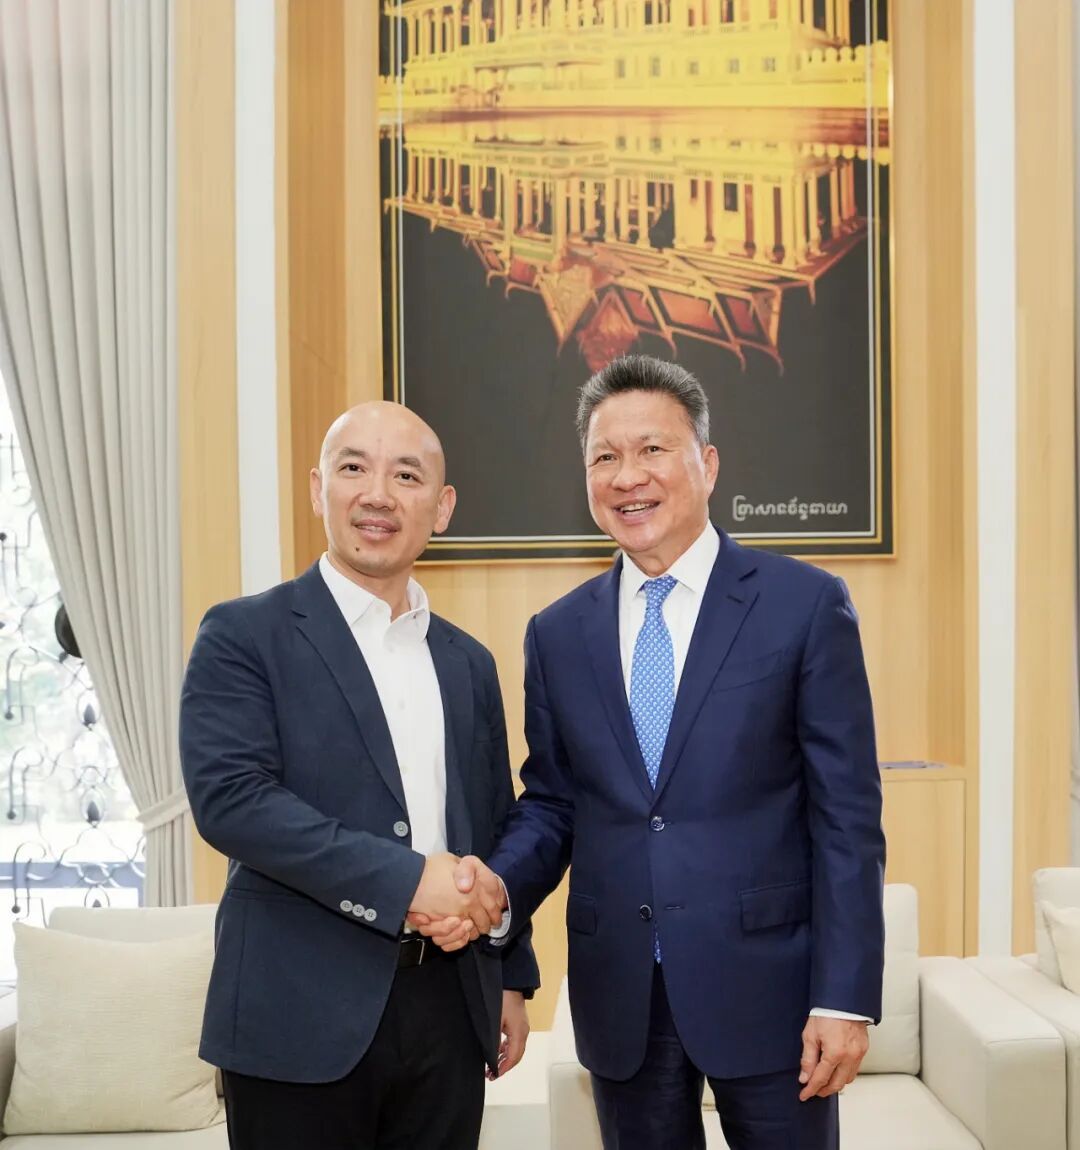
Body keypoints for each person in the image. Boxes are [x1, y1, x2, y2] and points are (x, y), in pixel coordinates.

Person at [417, 355, 885, 1150]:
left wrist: (843, 998)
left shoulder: (803, 605)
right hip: (622, 997)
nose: (627, 476)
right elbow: (554, 804)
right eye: (605, 457)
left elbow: (847, 818)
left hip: (770, 992)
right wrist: (493, 887)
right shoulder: (558, 634)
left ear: (708, 464)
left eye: (652, 450)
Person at [180, 401, 538, 1150]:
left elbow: (493, 820)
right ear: (319, 489)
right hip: (297, 1013)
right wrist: (408, 882)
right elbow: (233, 803)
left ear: (442, 508)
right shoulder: (244, 634)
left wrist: (509, 972)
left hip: (450, 1008)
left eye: (406, 476)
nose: (378, 494)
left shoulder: (468, 662)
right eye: (353, 468)